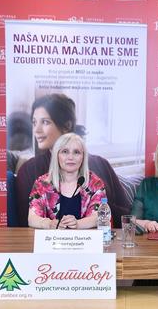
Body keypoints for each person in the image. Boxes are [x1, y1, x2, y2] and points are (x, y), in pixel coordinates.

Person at [14, 93, 130, 227]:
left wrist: (80, 224)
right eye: (34, 122)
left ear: (67, 125)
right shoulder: (31, 173)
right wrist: (51, 224)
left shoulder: (99, 170)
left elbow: (120, 213)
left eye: (45, 122)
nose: (37, 130)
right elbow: (27, 221)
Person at [28, 133, 106, 229]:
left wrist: (78, 224)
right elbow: (32, 218)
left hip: (85, 238)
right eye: (65, 152)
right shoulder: (42, 183)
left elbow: (99, 216)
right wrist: (49, 224)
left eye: (76, 152)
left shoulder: (95, 183)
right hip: (52, 238)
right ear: (57, 155)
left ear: (83, 157)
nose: (70, 157)